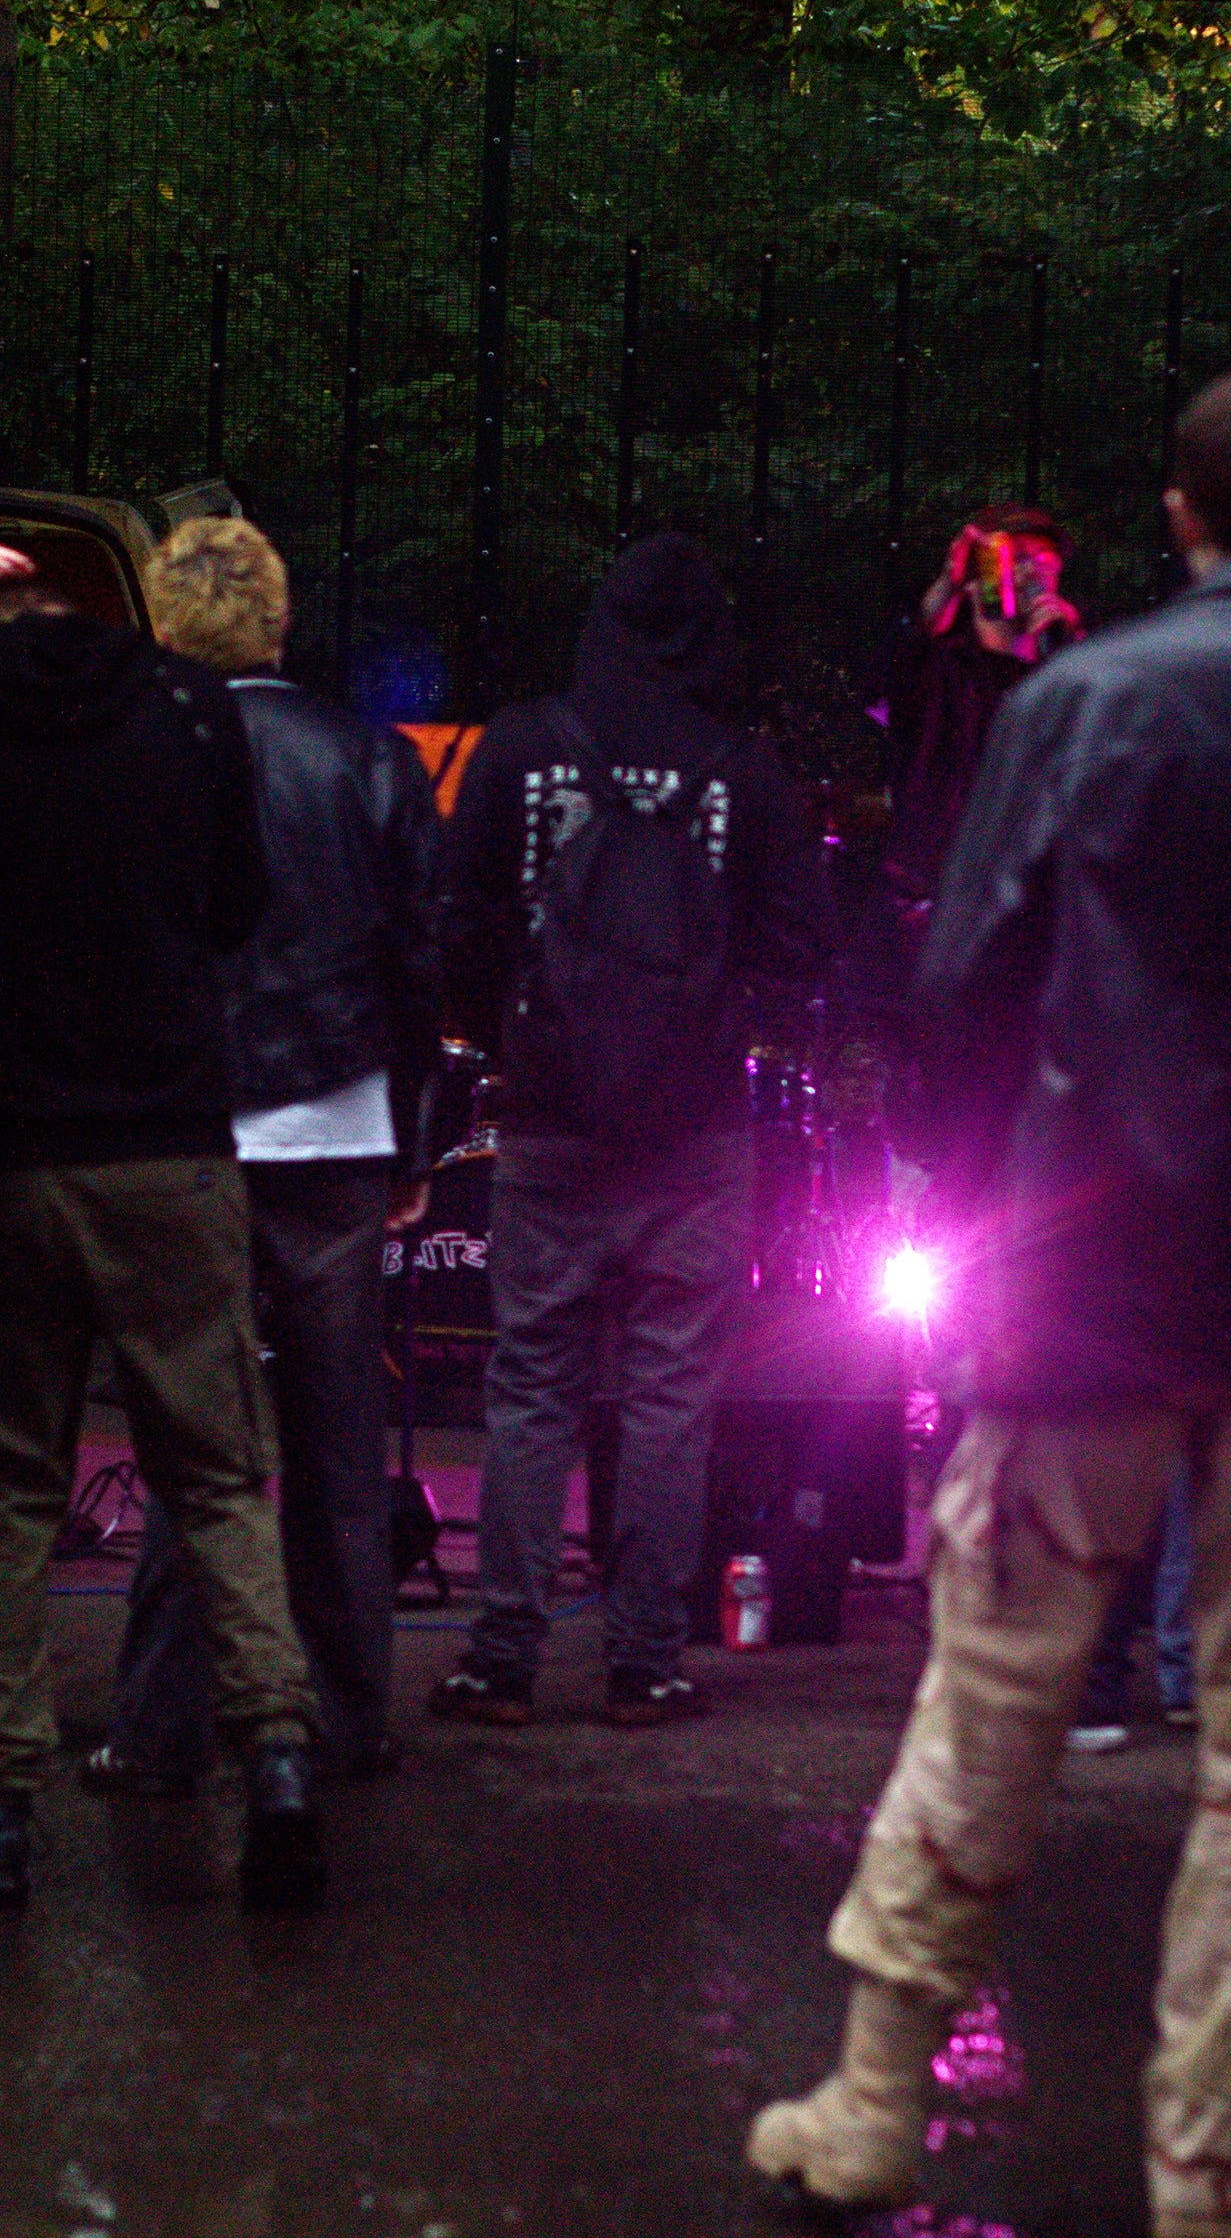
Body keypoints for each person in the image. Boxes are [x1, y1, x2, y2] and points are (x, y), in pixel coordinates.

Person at [748, 373, 1231, 2238]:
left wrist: (999, 1194)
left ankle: (874, 2102)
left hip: (1091, 1276)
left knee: (992, 1688)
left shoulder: (1080, 702)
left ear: (1178, 516)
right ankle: (1217, 2164)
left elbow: (967, 974)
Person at [0, 559, 327, 1912]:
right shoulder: (190, 709)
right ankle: (276, 1753)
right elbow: (235, 908)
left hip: (8, 1155)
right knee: (217, 1473)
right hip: (169, 1142)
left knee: (6, 1490)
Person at [429, 533, 836, 1731]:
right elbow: (803, 940)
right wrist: (721, 1014)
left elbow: (461, 914)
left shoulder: (524, 743)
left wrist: (506, 1031)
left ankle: (504, 1658)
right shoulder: (742, 767)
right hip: (693, 1131)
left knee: (531, 1388)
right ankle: (645, 1662)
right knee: (670, 1398)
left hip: (550, 1117)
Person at [100, 515, 443, 1793]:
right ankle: (346, 1715)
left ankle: (159, 1725)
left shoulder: (138, 754)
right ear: (281, 620)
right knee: (339, 1441)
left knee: (195, 1439)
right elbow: (418, 956)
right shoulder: (366, 756)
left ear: (162, 623)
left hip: (189, 1128)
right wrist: (415, 1132)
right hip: (340, 1126)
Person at [878, 503, 1082, 935]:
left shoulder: (1071, 673)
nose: (1033, 573)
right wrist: (947, 590)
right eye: (1017, 560)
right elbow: (883, 687)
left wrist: (1072, 648)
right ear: (975, 578)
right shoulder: (938, 671)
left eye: (1045, 563)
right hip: (940, 908)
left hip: (1037, 912)